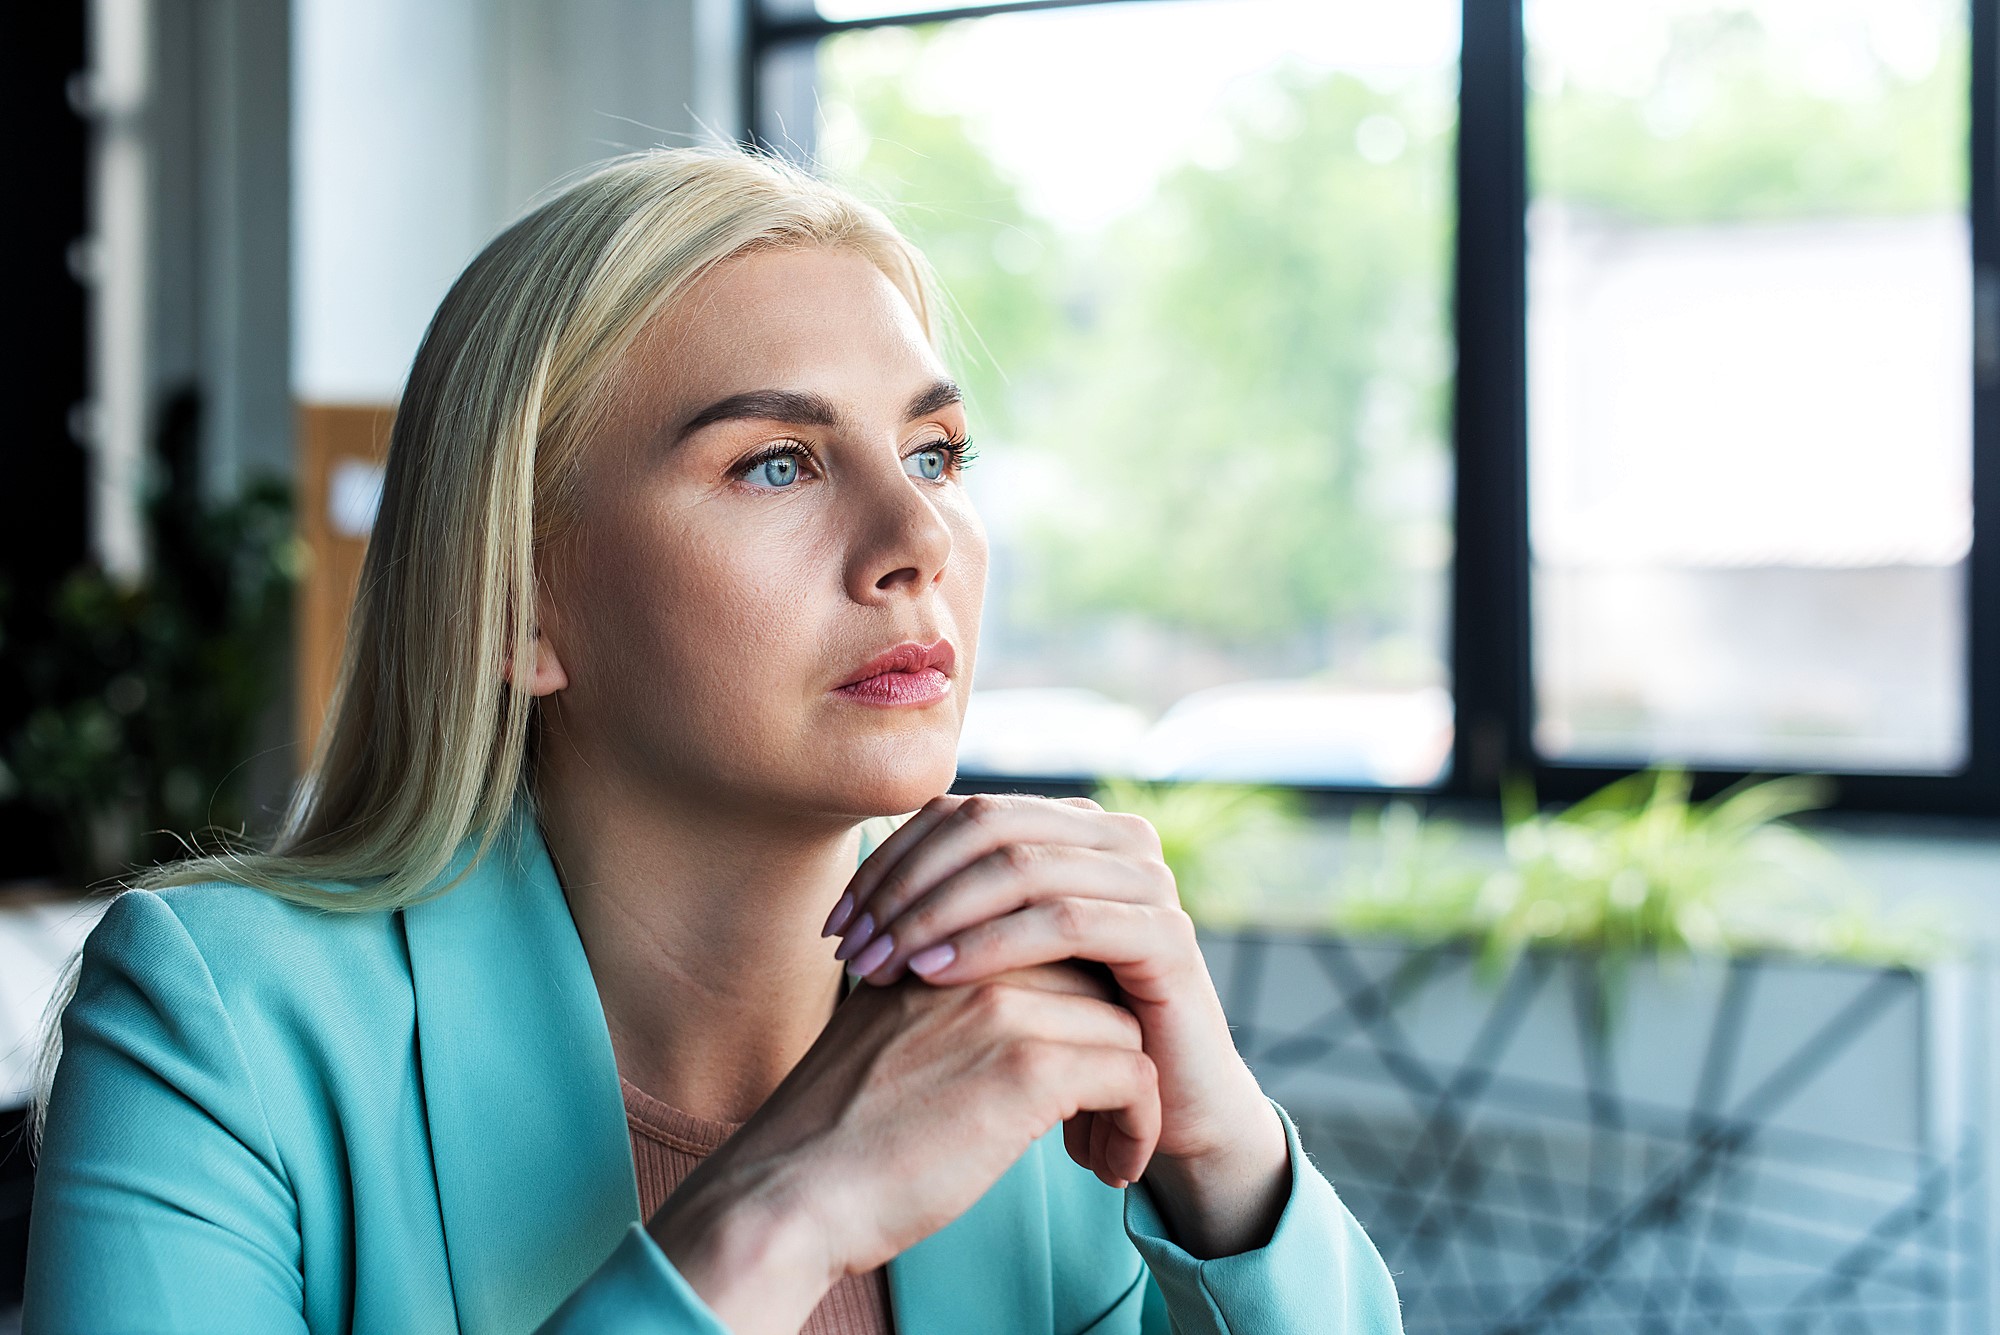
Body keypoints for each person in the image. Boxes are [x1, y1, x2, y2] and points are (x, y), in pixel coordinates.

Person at [22, 144, 1403, 1334]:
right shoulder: (220, 1026)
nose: (917, 540)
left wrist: (1229, 1161)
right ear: (519, 603)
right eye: (777, 463)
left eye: (934, 455)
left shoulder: (1047, 1043)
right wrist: (781, 1211)